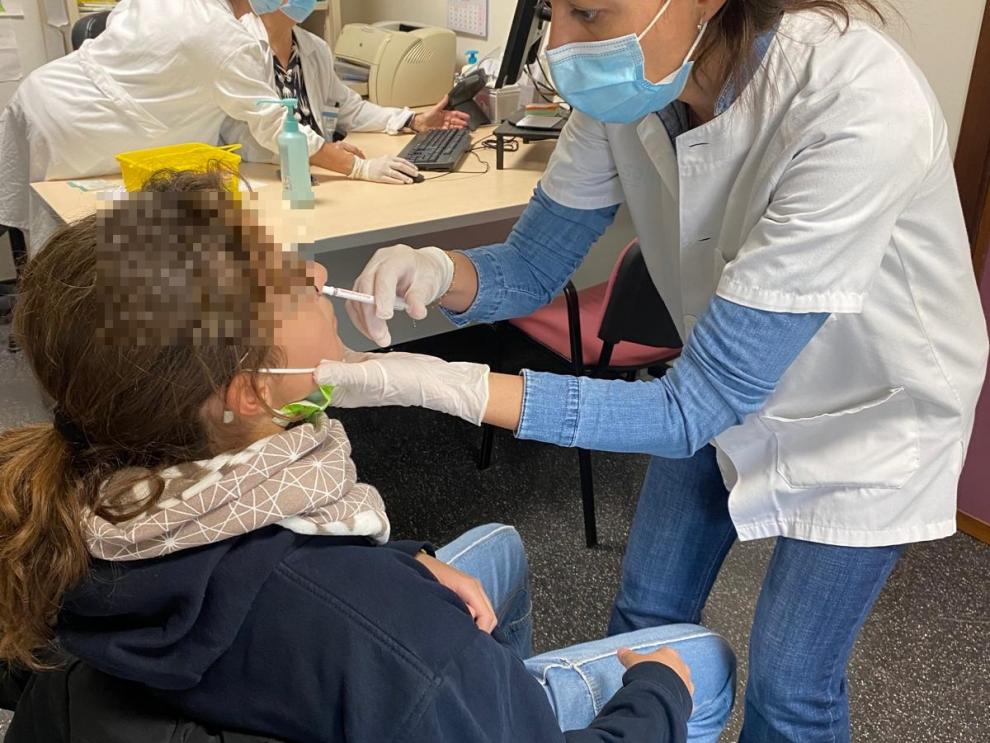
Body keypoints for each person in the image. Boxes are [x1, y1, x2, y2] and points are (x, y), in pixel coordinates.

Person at [316, 2, 990, 741]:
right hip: (714, 371)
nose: (558, 49)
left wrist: (437, 383)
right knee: (642, 617)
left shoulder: (854, 100)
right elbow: (533, 263)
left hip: (868, 411)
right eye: (552, 12)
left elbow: (692, 407)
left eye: (588, 13)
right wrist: (437, 271)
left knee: (791, 681)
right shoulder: (637, 90)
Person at [0, 169, 736, 742]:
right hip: (394, 669)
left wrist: (402, 558)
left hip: (309, 659)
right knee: (702, 662)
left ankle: (495, 692)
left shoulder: (92, 495)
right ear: (253, 390)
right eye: (292, 280)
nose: (319, 275)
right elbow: (370, 631)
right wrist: (656, 696)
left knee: (502, 549)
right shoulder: (387, 635)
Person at [0, 0, 361, 254]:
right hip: (73, 126)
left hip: (48, 96)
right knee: (74, 250)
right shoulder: (224, 39)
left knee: (77, 246)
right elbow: (272, 121)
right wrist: (357, 167)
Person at [220, 1, 470, 185]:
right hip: (263, 179)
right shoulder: (238, 48)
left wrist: (413, 120)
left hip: (317, 173)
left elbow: (350, 108)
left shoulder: (313, 48)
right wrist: (357, 167)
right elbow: (268, 130)